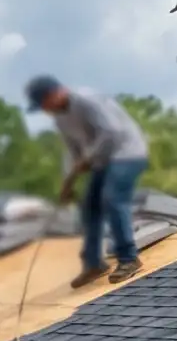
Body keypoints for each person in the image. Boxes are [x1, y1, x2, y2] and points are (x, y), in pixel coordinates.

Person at [27, 75, 154, 287]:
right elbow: (72, 151)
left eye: (43, 104)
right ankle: (93, 264)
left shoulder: (87, 100)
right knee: (90, 207)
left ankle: (129, 258)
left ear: (53, 95)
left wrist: (88, 158)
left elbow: (111, 132)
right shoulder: (60, 119)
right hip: (102, 161)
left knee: (112, 199)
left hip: (128, 153)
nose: (44, 110)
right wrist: (67, 182)